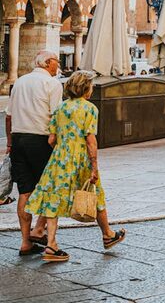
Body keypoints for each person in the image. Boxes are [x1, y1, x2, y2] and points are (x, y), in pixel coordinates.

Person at [25, 71, 126, 262]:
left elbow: (51, 139)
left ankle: (51, 245)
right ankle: (107, 235)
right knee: (94, 194)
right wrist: (94, 166)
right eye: (91, 86)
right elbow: (90, 140)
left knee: (53, 199)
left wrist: (63, 150)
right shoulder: (89, 109)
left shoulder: (60, 108)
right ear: (85, 88)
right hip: (80, 160)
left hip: (58, 159)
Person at [5, 51, 63, 256]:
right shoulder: (53, 84)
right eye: (57, 61)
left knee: (25, 191)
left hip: (19, 139)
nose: (59, 65)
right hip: (41, 140)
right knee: (50, 188)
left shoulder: (20, 82)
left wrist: (11, 143)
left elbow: (9, 116)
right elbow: (56, 116)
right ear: (48, 63)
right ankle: (42, 233)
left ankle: (25, 242)